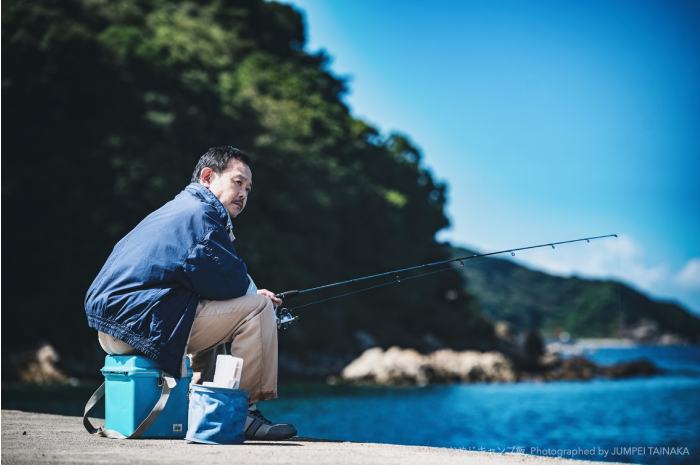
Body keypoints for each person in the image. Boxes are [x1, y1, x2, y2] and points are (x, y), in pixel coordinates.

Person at [84, 146, 296, 440]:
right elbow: (232, 281)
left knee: (229, 304)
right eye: (237, 182)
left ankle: (200, 408)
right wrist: (257, 297)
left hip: (115, 327)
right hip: (140, 324)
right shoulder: (201, 215)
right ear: (208, 177)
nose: (244, 193)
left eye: (248, 187)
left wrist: (247, 293)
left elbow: (215, 281)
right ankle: (242, 413)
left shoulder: (177, 210)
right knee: (258, 309)